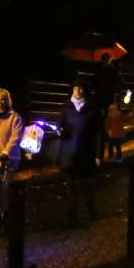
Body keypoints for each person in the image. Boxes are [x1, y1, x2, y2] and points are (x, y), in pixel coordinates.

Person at [56, 82, 102, 225]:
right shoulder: (67, 107)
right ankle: (71, 219)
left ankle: (91, 214)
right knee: (70, 189)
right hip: (69, 154)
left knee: (87, 186)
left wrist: (98, 155)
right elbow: (60, 123)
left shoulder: (92, 108)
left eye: (81, 88)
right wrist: (59, 129)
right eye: (75, 88)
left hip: (86, 153)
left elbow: (99, 133)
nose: (77, 90)